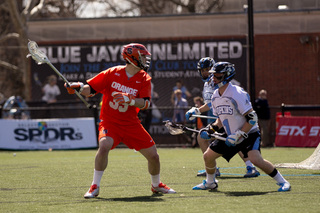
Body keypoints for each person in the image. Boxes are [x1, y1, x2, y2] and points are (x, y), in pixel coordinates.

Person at [64, 43, 176, 198]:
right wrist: (77, 87)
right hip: (110, 122)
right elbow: (90, 89)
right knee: (104, 146)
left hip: (131, 124)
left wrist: (129, 100)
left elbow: (145, 103)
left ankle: (156, 185)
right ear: (132, 57)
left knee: (154, 156)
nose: (145, 59)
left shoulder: (144, 78)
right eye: (142, 56)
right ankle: (94, 186)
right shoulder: (112, 72)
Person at [192, 62, 291, 192]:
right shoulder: (215, 95)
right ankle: (211, 182)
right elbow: (220, 120)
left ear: (227, 76)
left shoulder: (237, 93)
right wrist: (210, 130)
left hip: (248, 133)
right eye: (213, 75)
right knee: (207, 156)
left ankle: (283, 182)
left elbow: (252, 119)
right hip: (230, 133)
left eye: (217, 75)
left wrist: (239, 134)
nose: (213, 78)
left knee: (255, 159)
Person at [186, 57, 260, 178]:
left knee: (234, 139)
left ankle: (249, 166)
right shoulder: (207, 84)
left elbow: (213, 103)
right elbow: (211, 103)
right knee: (208, 138)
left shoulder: (217, 82)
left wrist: (198, 110)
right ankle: (214, 168)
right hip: (217, 117)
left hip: (227, 116)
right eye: (202, 70)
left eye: (207, 69)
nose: (205, 72)